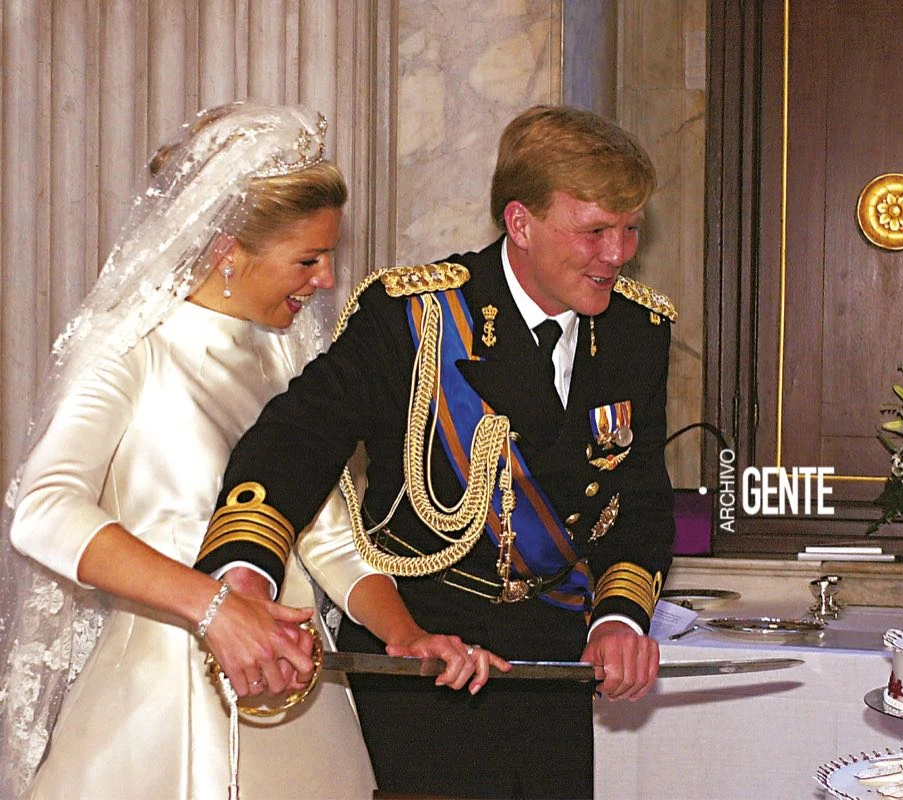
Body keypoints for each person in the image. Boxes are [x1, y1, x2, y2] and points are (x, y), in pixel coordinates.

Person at [0, 101, 504, 800]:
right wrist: (215, 607)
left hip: (298, 693)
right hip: (165, 706)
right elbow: (43, 510)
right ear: (226, 251)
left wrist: (405, 633)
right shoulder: (130, 350)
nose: (327, 280)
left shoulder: (287, 360)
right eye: (308, 259)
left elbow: (327, 537)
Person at [195, 104, 677, 799]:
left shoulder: (637, 331)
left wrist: (619, 617)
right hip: (421, 658)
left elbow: (640, 497)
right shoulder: (414, 317)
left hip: (551, 664)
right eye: (595, 231)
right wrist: (245, 570)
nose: (618, 254)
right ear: (520, 223)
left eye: (630, 229)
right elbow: (298, 437)